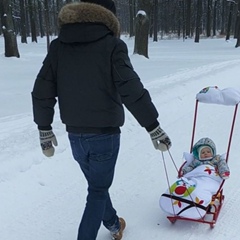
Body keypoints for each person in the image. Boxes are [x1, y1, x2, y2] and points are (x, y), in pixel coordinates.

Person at [31, 1, 171, 239]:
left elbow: (42, 90)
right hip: (105, 136)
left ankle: (114, 225)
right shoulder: (112, 46)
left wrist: (44, 128)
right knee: (97, 190)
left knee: (97, 187)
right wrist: (153, 127)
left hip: (76, 136)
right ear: (109, 18)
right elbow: (130, 88)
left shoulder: (58, 47)